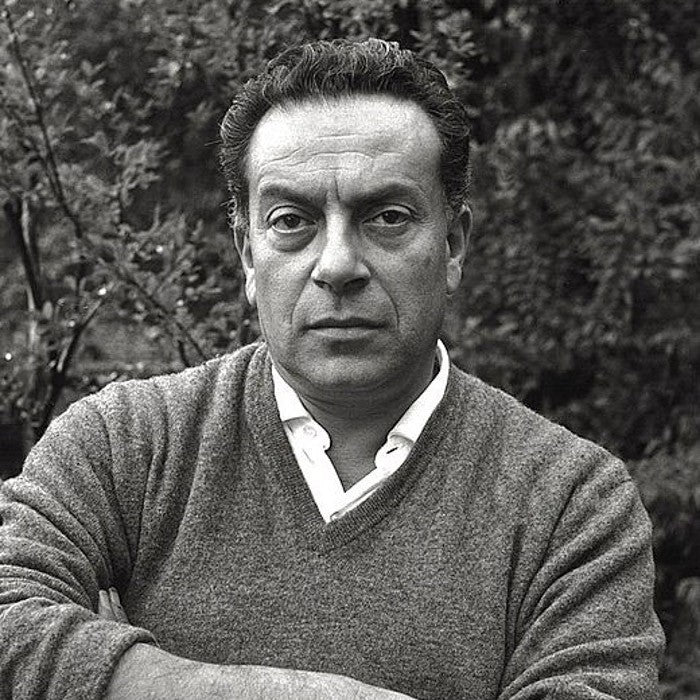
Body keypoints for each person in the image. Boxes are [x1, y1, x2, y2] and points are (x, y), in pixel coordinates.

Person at [0, 38, 664, 699]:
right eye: (292, 220)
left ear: (453, 245)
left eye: (388, 217)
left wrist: (104, 672)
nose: (338, 264)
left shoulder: (571, 503)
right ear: (247, 254)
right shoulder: (126, 445)